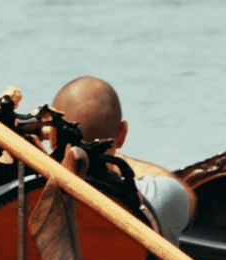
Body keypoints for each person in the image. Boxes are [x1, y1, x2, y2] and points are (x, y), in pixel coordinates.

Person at [49, 76, 193, 245]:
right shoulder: (163, 196)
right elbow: (188, 198)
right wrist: (116, 157)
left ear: (52, 137)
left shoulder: (30, 198)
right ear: (122, 133)